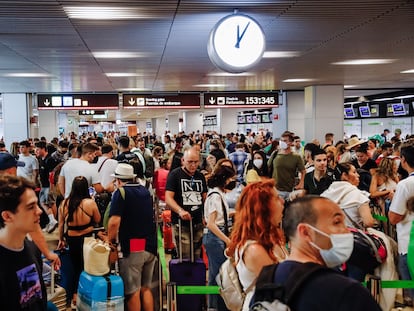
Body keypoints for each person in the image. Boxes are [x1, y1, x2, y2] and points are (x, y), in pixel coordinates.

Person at [263, 196, 381, 311]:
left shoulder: (267, 280)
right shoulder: (346, 291)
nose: (346, 231)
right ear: (306, 232)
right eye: (337, 222)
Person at [227, 179, 287, 311]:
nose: (282, 202)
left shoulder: (272, 239)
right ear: (263, 207)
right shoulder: (254, 249)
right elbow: (281, 285)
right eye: (277, 198)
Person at [107, 163, 157, 311]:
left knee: (132, 291)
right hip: (150, 244)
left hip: (134, 245)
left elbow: (114, 222)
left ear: (118, 179)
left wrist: (112, 243)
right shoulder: (144, 191)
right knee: (145, 288)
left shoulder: (120, 193)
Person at [0, 175, 48, 310]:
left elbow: (38, 299)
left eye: (37, 204)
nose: (39, 211)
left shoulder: (32, 248)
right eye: (30, 207)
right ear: (7, 216)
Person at [57, 176, 101, 306]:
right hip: (86, 239)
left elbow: (60, 224)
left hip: (71, 238)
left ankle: (73, 296)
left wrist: (61, 239)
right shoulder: (89, 203)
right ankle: (83, 295)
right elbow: (97, 219)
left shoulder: (64, 203)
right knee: (86, 267)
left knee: (74, 267)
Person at [203, 164, 236, 311]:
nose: (232, 182)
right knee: (218, 275)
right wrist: (227, 240)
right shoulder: (215, 196)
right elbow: (211, 223)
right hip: (216, 237)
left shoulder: (219, 194)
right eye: (231, 179)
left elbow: (219, 216)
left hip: (218, 235)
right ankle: (216, 306)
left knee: (216, 273)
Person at [165, 146, 207, 259]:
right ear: (183, 161)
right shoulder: (174, 175)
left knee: (197, 255)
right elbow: (168, 198)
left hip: (198, 222)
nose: (193, 165)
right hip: (181, 223)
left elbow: (204, 197)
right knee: (185, 255)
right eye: (190, 162)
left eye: (196, 162)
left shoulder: (200, 176)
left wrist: (205, 215)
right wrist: (180, 211)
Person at [388, 141, 414, 306]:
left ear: (403, 160)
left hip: (409, 244)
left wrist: (393, 200)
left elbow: (394, 218)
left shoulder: (405, 184)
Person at [268, 131, 305, 201]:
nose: (282, 142)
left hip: (290, 190)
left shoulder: (296, 157)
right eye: (281, 140)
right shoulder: (275, 154)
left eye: (285, 141)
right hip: (276, 189)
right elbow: (268, 167)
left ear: (291, 143)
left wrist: (301, 183)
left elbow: (303, 171)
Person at [34, 141, 58, 233]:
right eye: (35, 149)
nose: (36, 151)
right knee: (46, 203)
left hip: (49, 186)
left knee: (49, 203)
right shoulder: (42, 159)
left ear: (44, 149)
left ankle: (53, 221)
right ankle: (52, 221)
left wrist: (51, 188)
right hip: (44, 186)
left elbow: (51, 175)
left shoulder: (49, 160)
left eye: (38, 149)